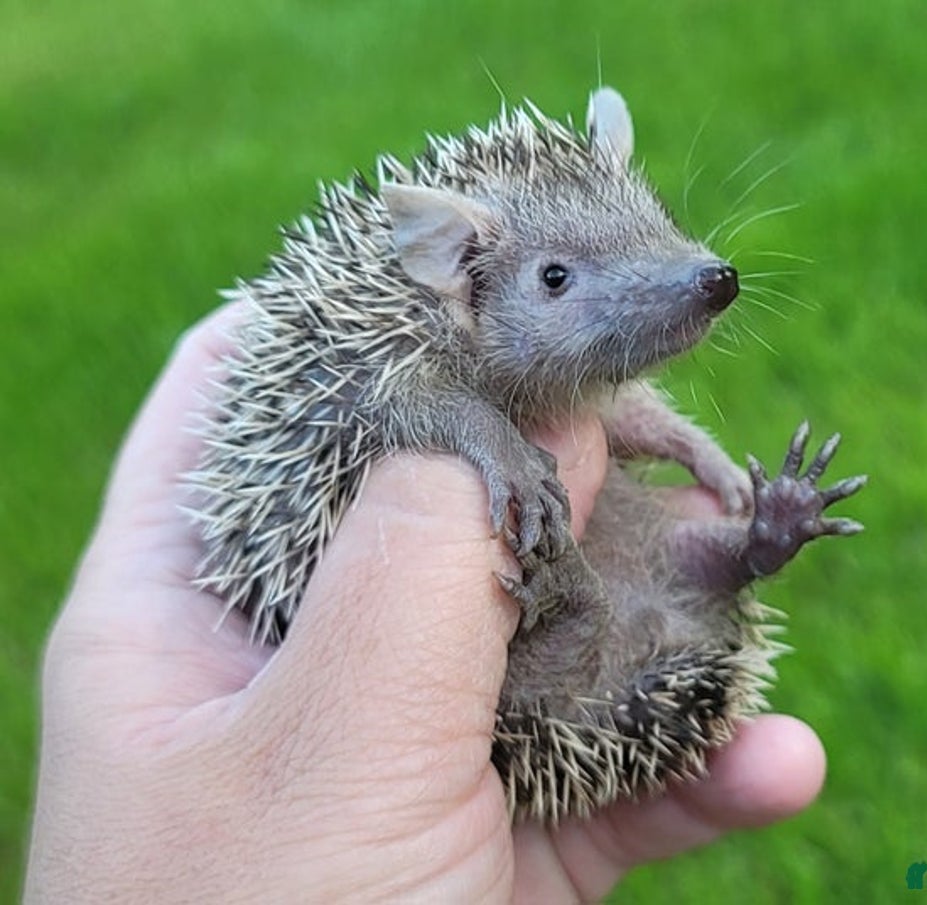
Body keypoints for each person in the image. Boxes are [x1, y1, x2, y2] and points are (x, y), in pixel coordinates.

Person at [24, 305, 826, 903]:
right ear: (458, 276)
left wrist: (693, 447)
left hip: (641, 609)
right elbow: (443, 401)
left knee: (674, 561)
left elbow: (607, 405)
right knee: (644, 575)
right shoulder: (394, 364)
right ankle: (697, 566)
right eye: (555, 278)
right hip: (545, 678)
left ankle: (744, 550)